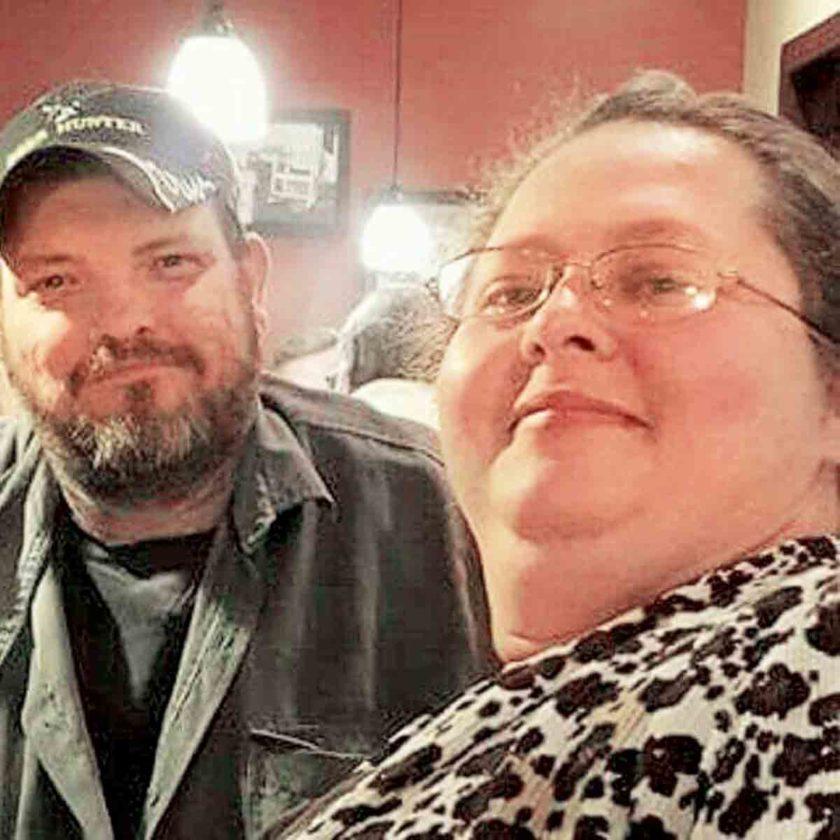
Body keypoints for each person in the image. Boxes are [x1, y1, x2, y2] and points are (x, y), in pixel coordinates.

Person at [278, 71, 840, 838]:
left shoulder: (814, 663)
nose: (553, 323)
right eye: (510, 293)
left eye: (659, 279)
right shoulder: (512, 714)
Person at [0, 82, 491, 838]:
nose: (125, 322)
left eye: (170, 261)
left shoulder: (439, 519)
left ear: (251, 281)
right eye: (56, 280)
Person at [332, 283, 453, 428]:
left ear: (362, 361)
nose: (331, 376)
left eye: (344, 354)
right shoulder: (459, 426)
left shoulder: (338, 423)